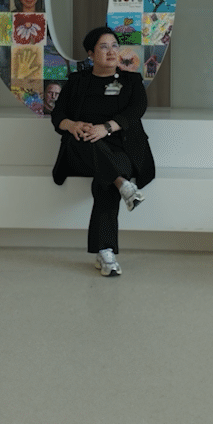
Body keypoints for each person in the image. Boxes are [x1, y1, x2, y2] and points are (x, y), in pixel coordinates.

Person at [50, 27, 155, 277]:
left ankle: (105, 252)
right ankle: (124, 185)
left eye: (114, 46)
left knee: (105, 182)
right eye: (103, 47)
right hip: (81, 150)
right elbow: (58, 115)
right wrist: (73, 125)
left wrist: (106, 128)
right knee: (88, 142)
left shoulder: (131, 80)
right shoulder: (78, 81)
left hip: (122, 149)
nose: (111, 51)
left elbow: (136, 110)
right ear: (90, 53)